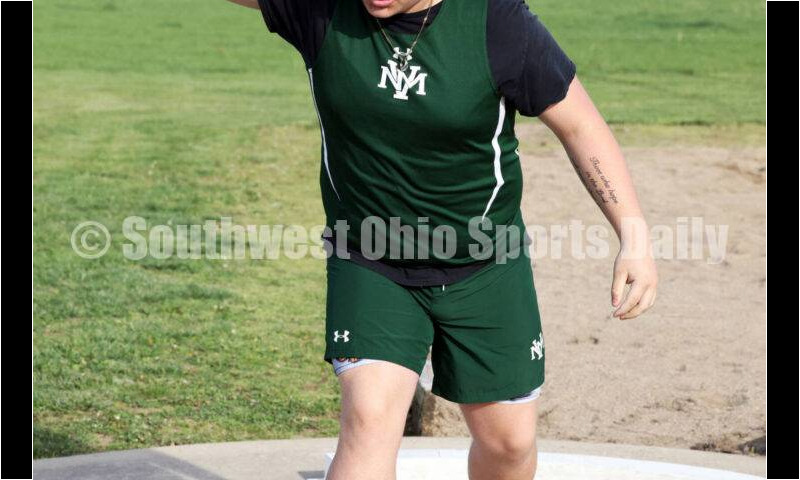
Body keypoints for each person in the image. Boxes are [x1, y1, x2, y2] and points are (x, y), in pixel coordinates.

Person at [227, 0, 659, 478]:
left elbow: (580, 125)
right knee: (368, 424)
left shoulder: (497, 21)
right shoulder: (325, 9)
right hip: (370, 259)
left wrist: (632, 235)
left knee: (508, 444)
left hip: (485, 262)